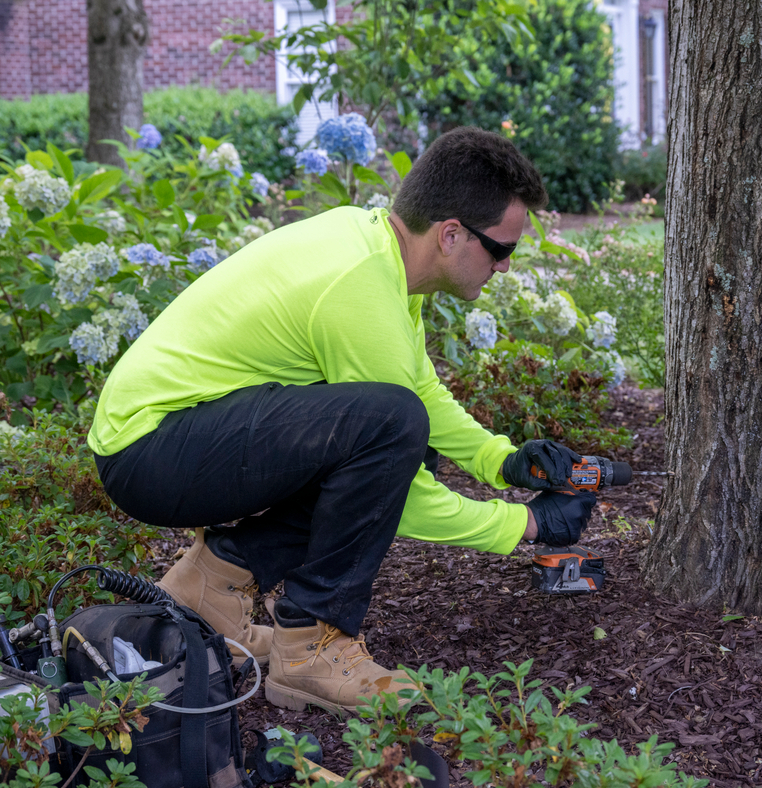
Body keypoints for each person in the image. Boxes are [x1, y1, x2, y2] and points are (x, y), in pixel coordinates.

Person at [89, 126, 598, 715]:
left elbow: (419, 390)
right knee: (393, 430)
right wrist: (525, 525)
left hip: (164, 437)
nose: (505, 267)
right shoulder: (360, 286)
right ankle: (312, 648)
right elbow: (404, 493)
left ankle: (211, 587)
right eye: (501, 250)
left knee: (398, 429)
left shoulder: (377, 251)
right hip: (151, 450)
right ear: (451, 234)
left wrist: (501, 460)